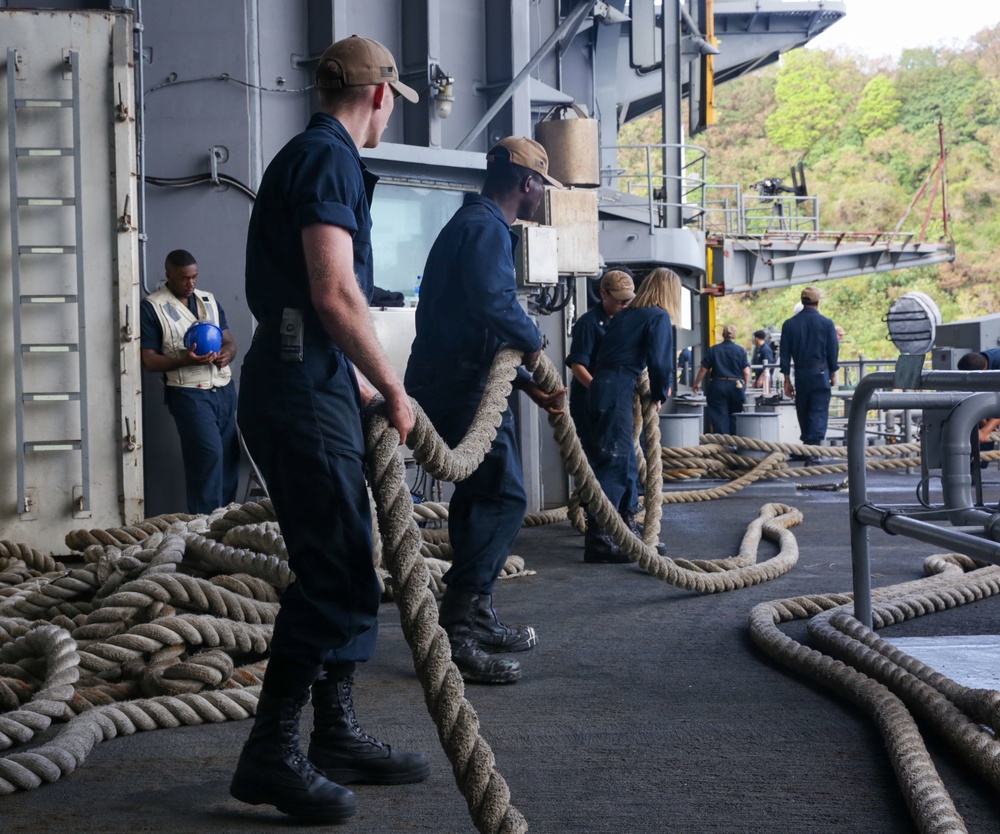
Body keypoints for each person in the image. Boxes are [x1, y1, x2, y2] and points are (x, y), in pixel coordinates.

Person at [230, 36, 428, 823]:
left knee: (342, 559)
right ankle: (272, 754)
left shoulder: (311, 155)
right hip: (298, 392)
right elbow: (333, 290)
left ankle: (334, 735)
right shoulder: (331, 158)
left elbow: (306, 310)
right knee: (342, 570)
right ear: (380, 96)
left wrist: (352, 381)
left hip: (308, 379)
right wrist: (392, 385)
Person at [405, 136, 565, 686]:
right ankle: (461, 628)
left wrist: (524, 383)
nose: (542, 194)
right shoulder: (484, 228)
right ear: (528, 184)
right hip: (458, 389)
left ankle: (473, 612)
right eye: (542, 184)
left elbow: (474, 329)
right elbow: (496, 307)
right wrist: (537, 348)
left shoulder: (474, 224)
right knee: (503, 496)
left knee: (482, 496)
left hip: (460, 380)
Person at [584, 267, 680, 563]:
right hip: (618, 388)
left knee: (624, 461)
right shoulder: (658, 316)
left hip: (604, 386)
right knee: (614, 462)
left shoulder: (626, 314)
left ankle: (623, 529)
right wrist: (662, 391)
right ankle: (600, 539)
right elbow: (660, 360)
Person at [140, 249, 239, 515]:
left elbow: (229, 342)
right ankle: (205, 526)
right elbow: (149, 361)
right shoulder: (152, 306)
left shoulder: (208, 299)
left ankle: (227, 523)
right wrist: (185, 360)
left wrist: (227, 354)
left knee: (229, 457)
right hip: (188, 394)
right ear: (168, 274)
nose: (191, 283)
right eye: (184, 278)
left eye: (194, 277)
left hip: (223, 389)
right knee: (208, 456)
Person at [566, 268, 635, 461]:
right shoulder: (588, 323)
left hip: (620, 400)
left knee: (626, 458)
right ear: (603, 293)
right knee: (600, 457)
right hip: (592, 400)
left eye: (628, 300)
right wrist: (599, 391)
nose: (624, 304)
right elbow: (578, 365)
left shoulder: (628, 322)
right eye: (620, 299)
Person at [779, 285, 839, 461]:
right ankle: (813, 450)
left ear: (802, 300)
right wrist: (833, 372)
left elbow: (784, 353)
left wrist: (786, 379)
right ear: (817, 302)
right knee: (819, 409)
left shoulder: (789, 324)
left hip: (800, 373)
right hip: (820, 372)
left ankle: (808, 447)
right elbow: (832, 350)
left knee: (803, 408)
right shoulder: (827, 323)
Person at [692, 324, 751, 435]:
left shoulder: (713, 350)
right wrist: (746, 385)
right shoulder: (740, 351)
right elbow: (747, 372)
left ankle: (722, 445)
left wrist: (696, 383)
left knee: (719, 416)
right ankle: (734, 443)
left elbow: (703, 370)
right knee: (735, 415)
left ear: (723, 335)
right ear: (735, 335)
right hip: (736, 386)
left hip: (718, 385)